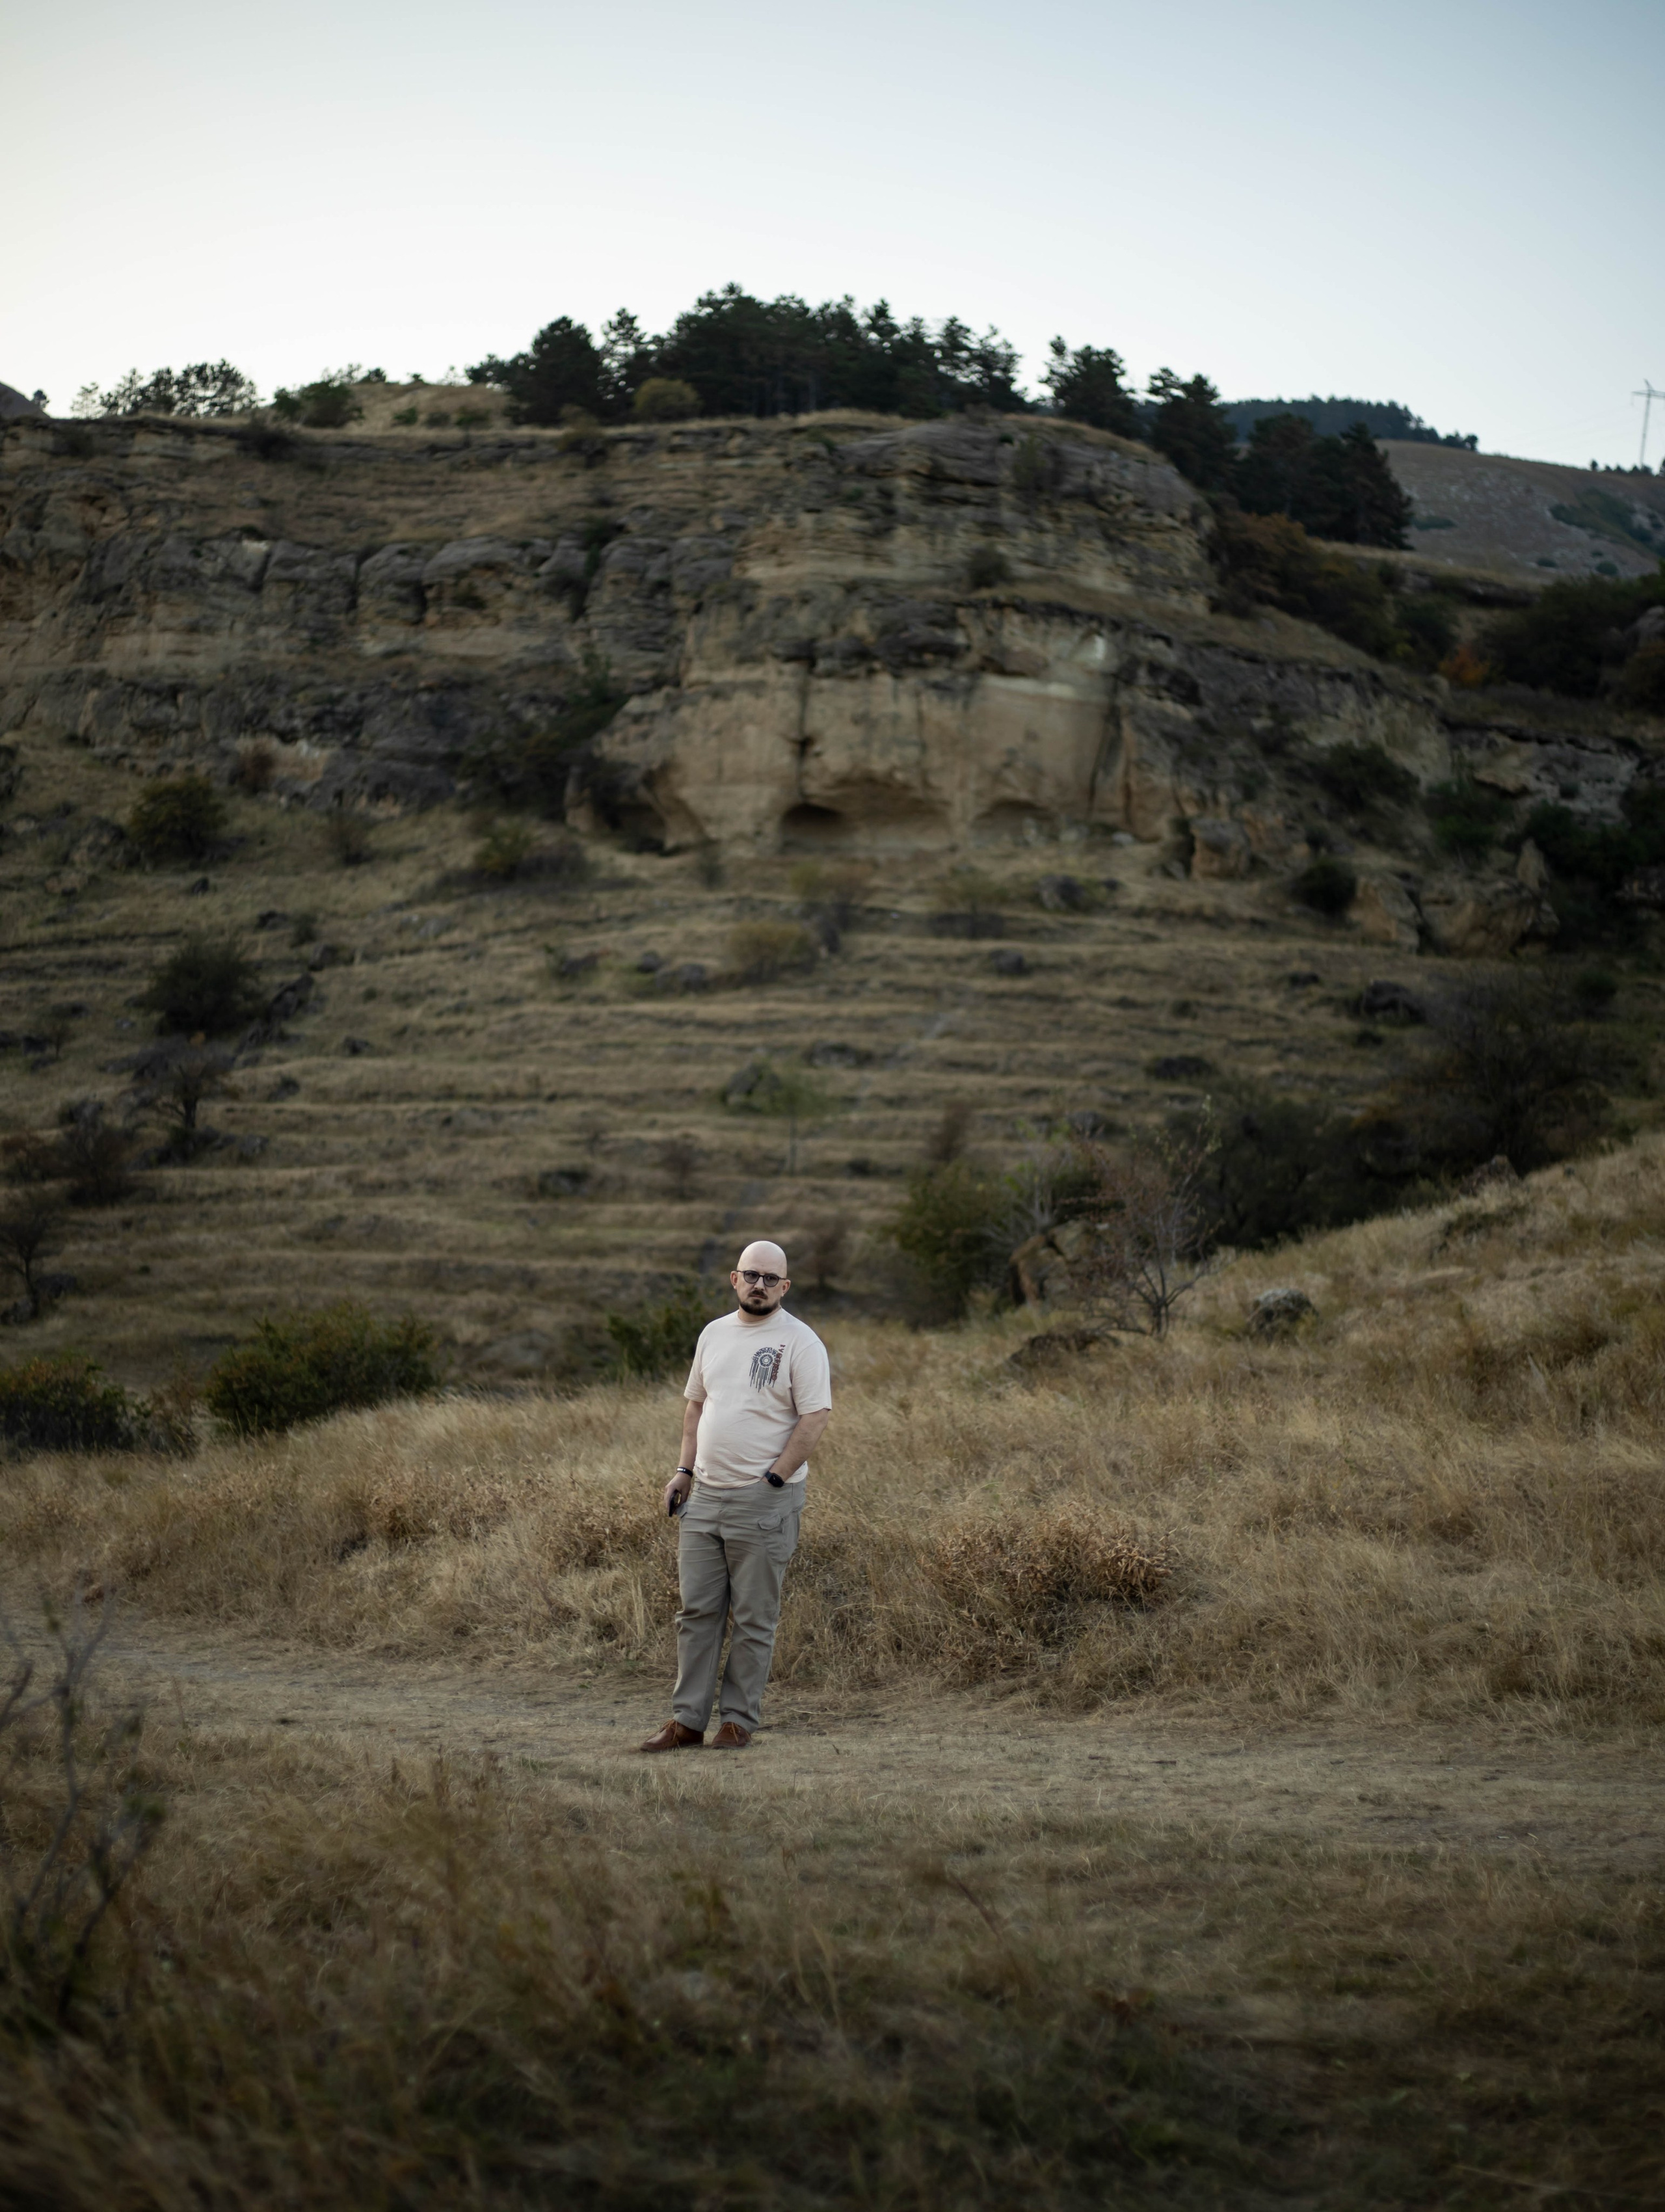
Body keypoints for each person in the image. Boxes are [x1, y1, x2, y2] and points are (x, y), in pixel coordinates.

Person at [640, 1240, 831, 1752]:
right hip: (703, 1495)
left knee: (752, 1617)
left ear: (785, 1286)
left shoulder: (800, 1341)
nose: (760, 1285)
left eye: (771, 1278)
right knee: (697, 1612)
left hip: (765, 1500)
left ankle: (738, 1721)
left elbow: (815, 1416)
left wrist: (774, 1478)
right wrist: (683, 1471)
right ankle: (686, 1722)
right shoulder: (714, 1334)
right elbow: (695, 1408)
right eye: (752, 1275)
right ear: (734, 1278)